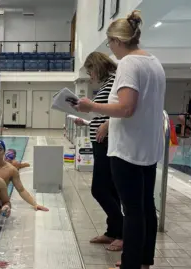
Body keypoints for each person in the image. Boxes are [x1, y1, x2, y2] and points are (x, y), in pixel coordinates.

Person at [73, 10, 164, 269]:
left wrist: (92, 106)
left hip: (128, 150)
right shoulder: (154, 62)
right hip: (148, 147)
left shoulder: (128, 64)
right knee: (146, 207)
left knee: (133, 210)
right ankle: (144, 261)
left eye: (110, 42)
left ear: (117, 41)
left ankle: (130, 264)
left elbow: (126, 108)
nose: (111, 48)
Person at [74, 51, 123, 251]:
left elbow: (124, 109)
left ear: (98, 66)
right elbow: (104, 113)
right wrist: (88, 122)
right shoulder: (107, 83)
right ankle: (112, 231)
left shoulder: (116, 80)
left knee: (100, 189)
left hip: (109, 143)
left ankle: (122, 233)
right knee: (110, 190)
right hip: (101, 142)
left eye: (91, 71)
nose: (90, 76)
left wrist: (109, 124)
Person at [0, 140, 49, 211]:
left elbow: (21, 190)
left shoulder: (11, 170)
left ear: (4, 152)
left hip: (0, 205)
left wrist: (35, 204)